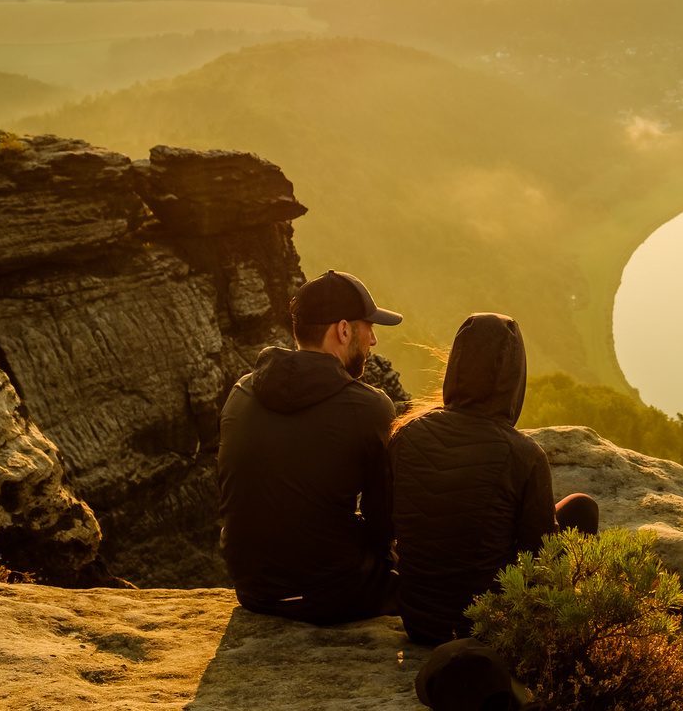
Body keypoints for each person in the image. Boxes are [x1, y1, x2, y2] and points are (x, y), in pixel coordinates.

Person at [390, 312, 598, 645]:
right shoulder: (523, 454)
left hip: (417, 621)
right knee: (581, 509)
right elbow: (543, 557)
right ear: (513, 378)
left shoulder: (406, 435)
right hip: (484, 625)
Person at [217, 269, 404, 624]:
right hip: (333, 595)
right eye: (369, 328)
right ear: (344, 329)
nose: (373, 341)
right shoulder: (369, 407)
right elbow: (385, 526)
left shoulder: (241, 392)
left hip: (253, 590)